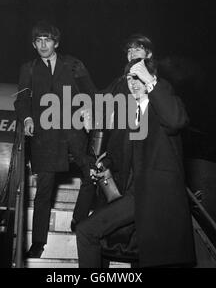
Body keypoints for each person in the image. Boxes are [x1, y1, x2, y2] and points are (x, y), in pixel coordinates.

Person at [75, 34, 196, 268]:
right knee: (87, 231)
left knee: (146, 255)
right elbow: (115, 152)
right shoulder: (127, 113)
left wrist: (150, 82)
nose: (132, 83)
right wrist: (103, 168)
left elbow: (176, 120)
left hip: (156, 195)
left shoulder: (163, 99)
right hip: (131, 194)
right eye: (129, 78)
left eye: (137, 77)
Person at [14, 20, 97, 258]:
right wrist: (27, 119)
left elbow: (90, 93)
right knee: (43, 190)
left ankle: (79, 219)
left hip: (73, 131)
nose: (43, 45)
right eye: (38, 41)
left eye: (47, 40)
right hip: (45, 136)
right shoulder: (28, 69)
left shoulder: (73, 65)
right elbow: (21, 100)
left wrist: (85, 109)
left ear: (56, 43)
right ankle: (38, 243)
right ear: (33, 44)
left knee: (90, 173)